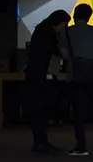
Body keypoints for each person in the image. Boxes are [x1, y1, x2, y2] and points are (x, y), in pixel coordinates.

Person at [24, 10, 71, 152]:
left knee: (38, 110)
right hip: (40, 77)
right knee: (41, 109)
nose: (64, 27)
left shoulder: (41, 31)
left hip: (34, 76)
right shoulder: (48, 35)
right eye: (64, 24)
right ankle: (41, 142)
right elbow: (61, 54)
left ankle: (40, 142)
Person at [65, 3, 93, 156]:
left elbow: (64, 53)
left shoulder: (69, 32)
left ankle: (82, 147)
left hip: (78, 75)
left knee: (78, 112)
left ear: (75, 15)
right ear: (90, 16)